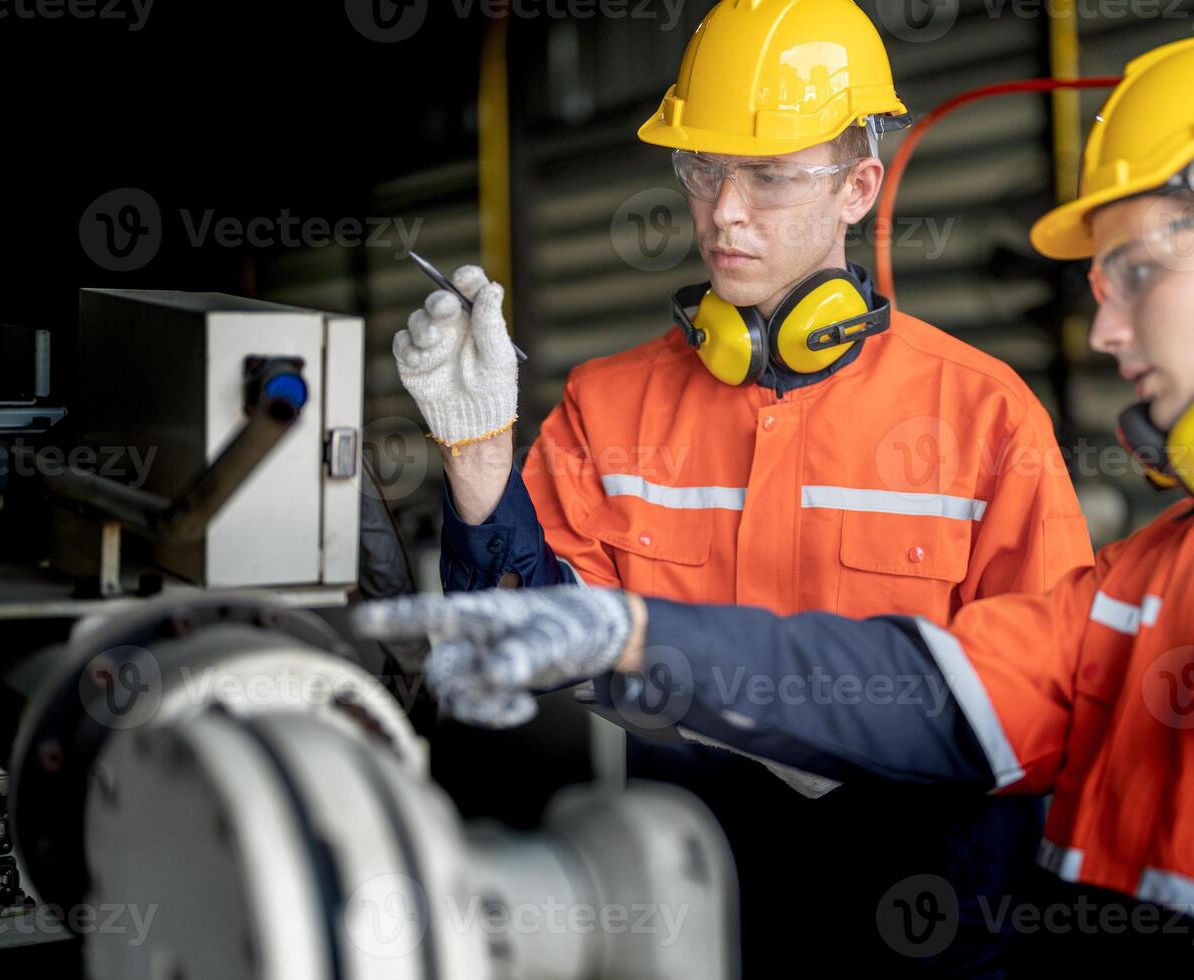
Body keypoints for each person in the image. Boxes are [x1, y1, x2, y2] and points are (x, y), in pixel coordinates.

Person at [363, 32, 1194, 974]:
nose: (1108, 331)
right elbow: (937, 688)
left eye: (1133, 273)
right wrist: (623, 623)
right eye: (705, 170)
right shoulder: (1162, 576)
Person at [391, 0, 1092, 972]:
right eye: (703, 170)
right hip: (669, 919)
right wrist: (475, 452)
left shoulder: (985, 418)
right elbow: (525, 642)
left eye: (767, 176)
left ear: (859, 187)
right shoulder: (608, 404)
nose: (724, 211)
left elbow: (1047, 712)